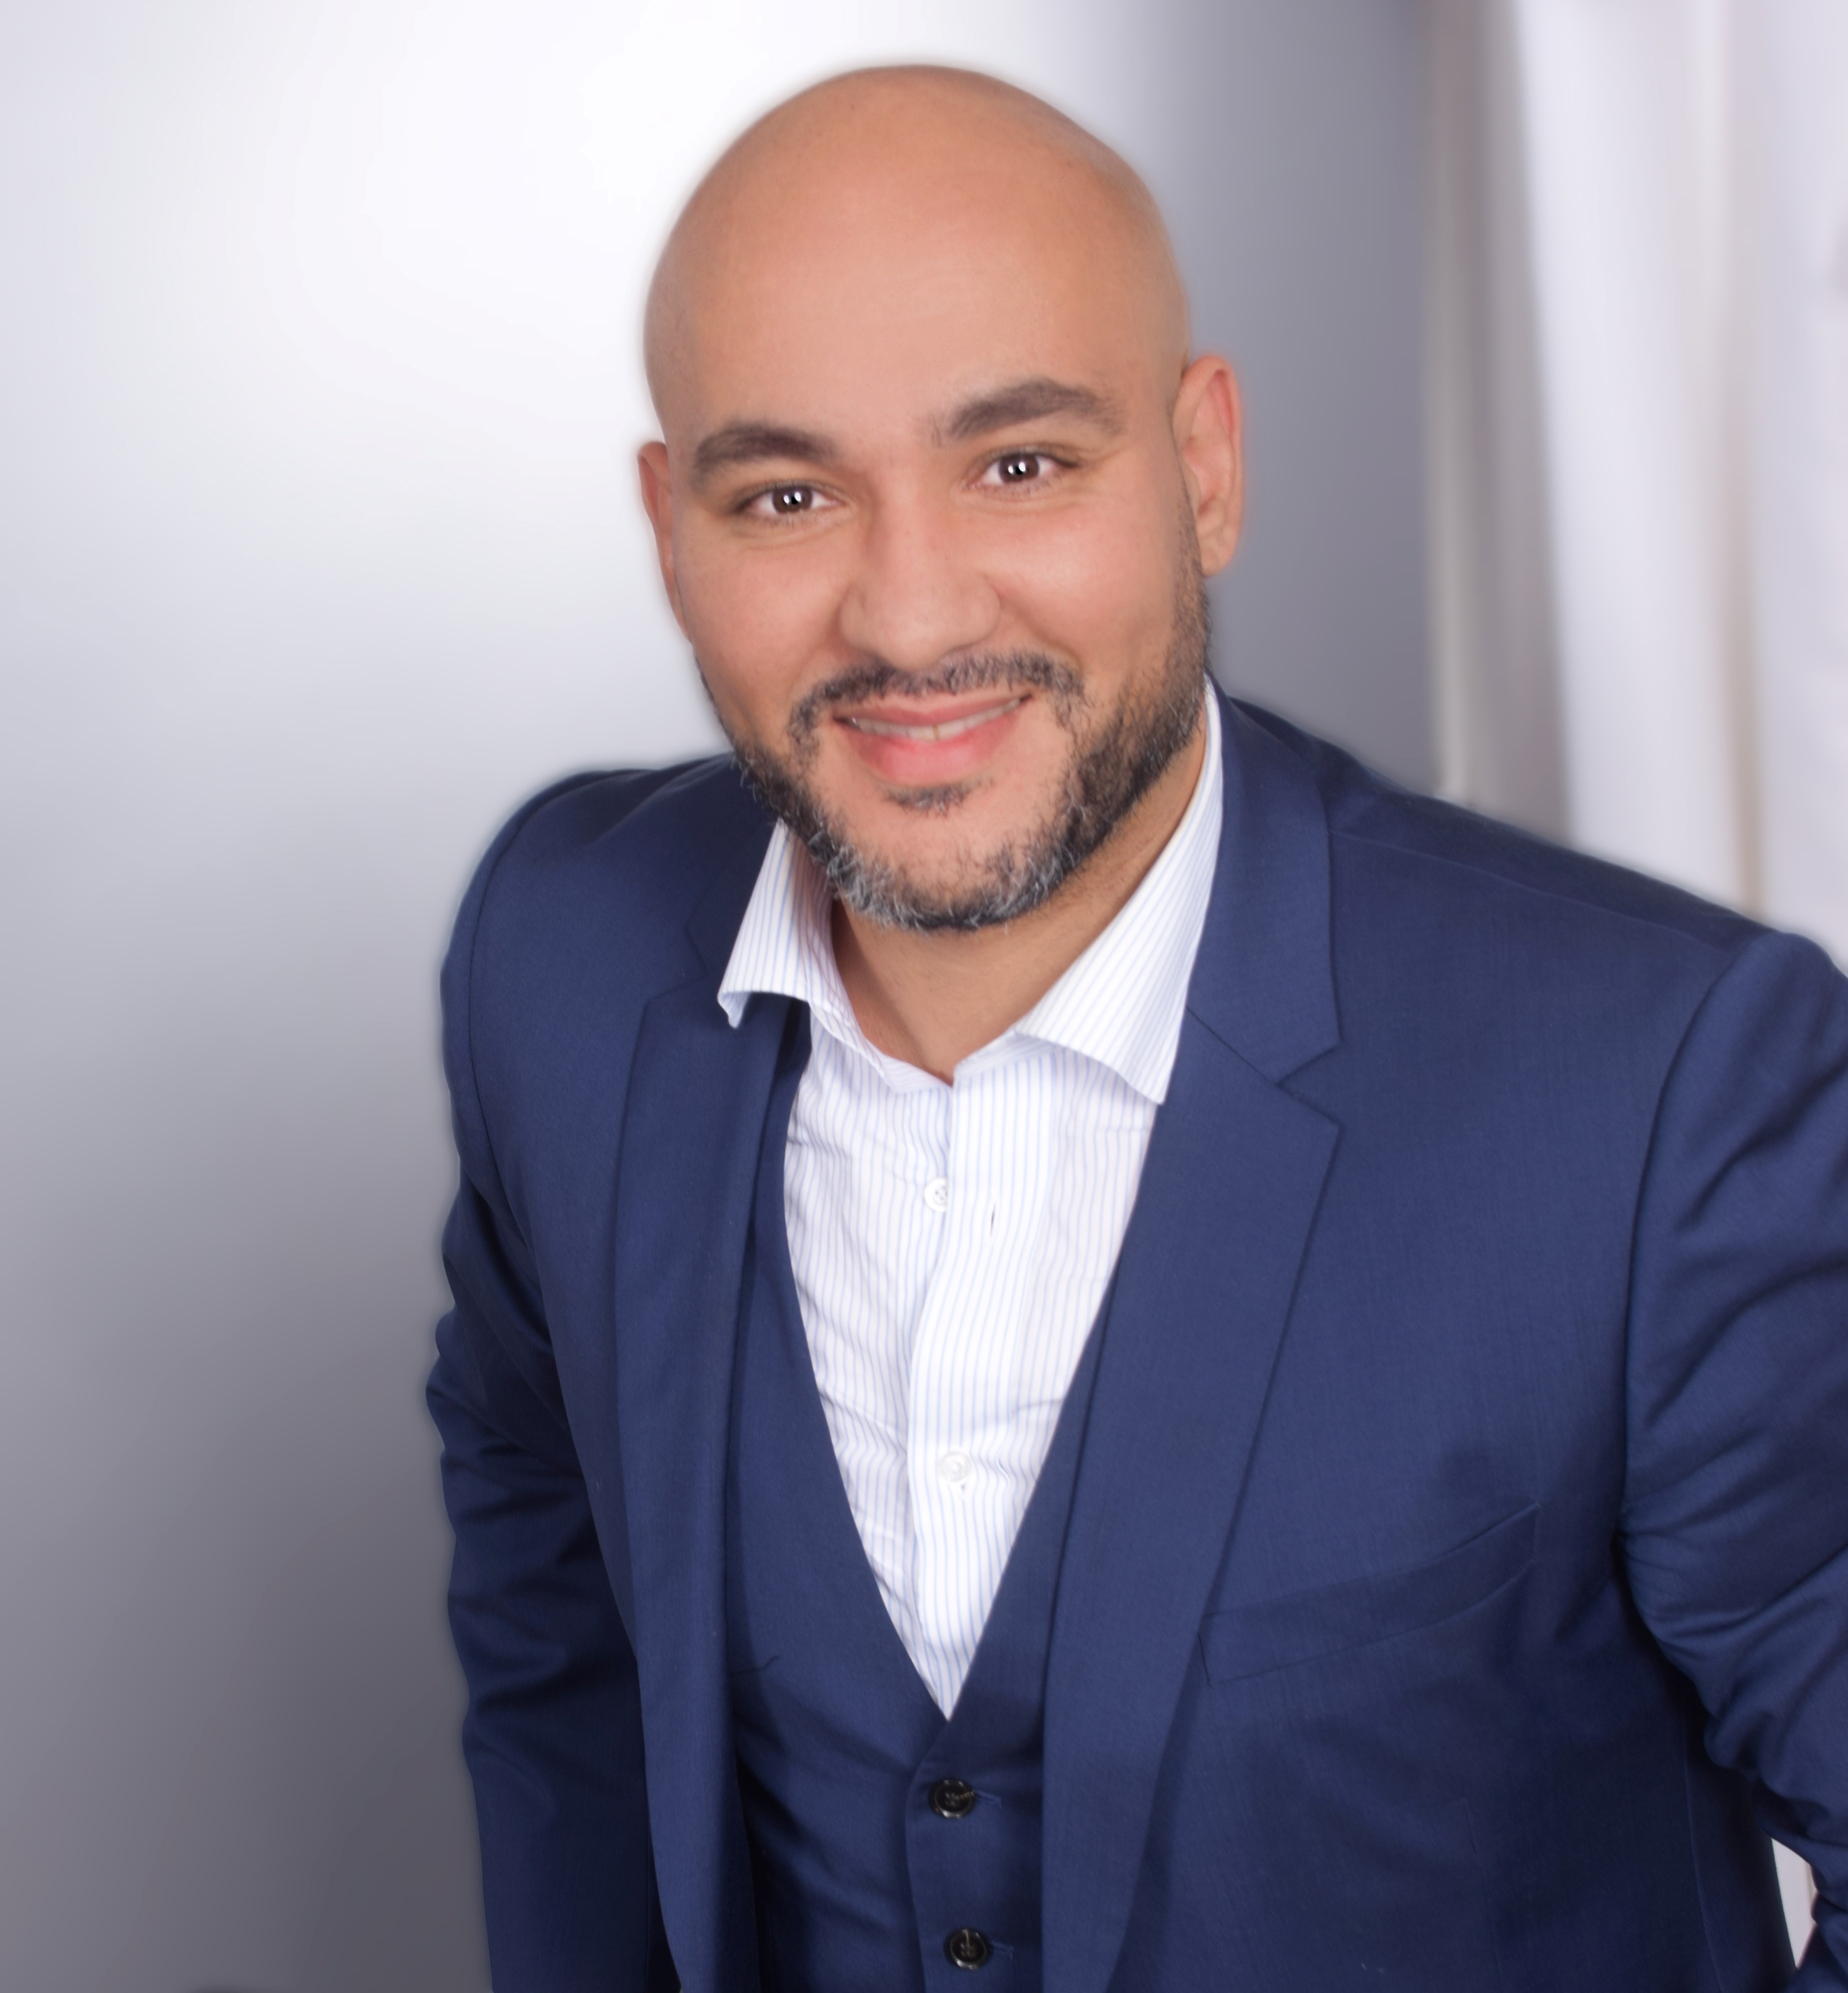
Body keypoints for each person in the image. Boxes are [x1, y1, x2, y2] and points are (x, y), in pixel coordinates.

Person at [426, 64, 1848, 1993]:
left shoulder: (1659, 1087)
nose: (908, 618)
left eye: (1017, 465)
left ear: (1204, 468)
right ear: (673, 533)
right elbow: (561, 1645)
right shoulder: (560, 963)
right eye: (788, 496)